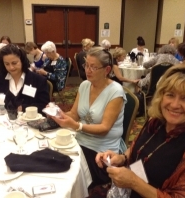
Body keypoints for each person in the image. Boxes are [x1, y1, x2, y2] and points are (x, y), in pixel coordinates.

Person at [96, 64, 185, 198]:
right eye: (170, 95)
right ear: (161, 96)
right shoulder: (156, 122)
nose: (174, 105)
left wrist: (134, 183)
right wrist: (121, 158)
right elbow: (137, 148)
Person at [50, 47, 127, 189]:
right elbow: (74, 114)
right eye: (86, 65)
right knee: (52, 156)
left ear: (107, 69)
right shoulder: (85, 85)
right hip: (80, 140)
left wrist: (76, 126)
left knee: (67, 170)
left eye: (93, 67)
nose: (88, 70)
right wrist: (59, 114)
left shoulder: (116, 91)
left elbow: (104, 128)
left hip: (102, 151)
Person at [0, 44, 50, 114]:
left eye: (14, 63)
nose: (11, 67)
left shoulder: (38, 80)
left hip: (29, 122)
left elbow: (44, 106)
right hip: (2, 122)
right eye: (7, 64)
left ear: (22, 61)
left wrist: (24, 108)